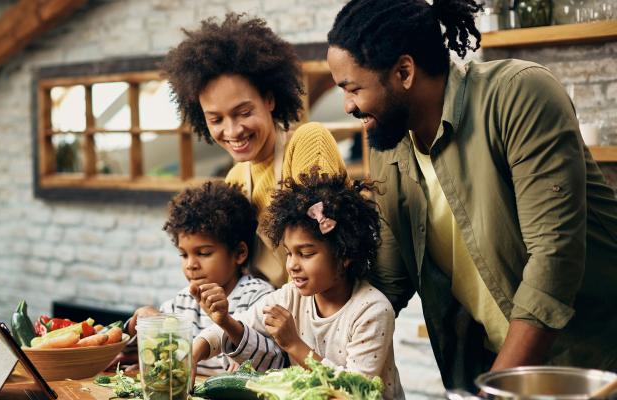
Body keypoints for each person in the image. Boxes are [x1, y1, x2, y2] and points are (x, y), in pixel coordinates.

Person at [326, 0, 617, 391]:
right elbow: (388, 283)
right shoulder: (390, 145)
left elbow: (554, 259)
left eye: (353, 88)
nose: (347, 106)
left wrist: (493, 391)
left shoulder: (518, 94)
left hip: (593, 363)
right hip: (499, 368)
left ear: (404, 72)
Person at [162, 13, 346, 287]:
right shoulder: (236, 178)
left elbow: (322, 246)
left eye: (244, 112)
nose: (233, 130)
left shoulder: (308, 141)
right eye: (216, 119)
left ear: (269, 99)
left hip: (325, 317)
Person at [192, 169, 404, 399]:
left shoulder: (371, 310)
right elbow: (238, 324)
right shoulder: (291, 296)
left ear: (344, 254)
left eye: (306, 253)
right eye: (288, 253)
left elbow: (355, 392)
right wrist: (193, 355)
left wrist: (294, 344)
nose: (292, 265)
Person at [123, 181, 275, 375]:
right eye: (184, 255)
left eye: (203, 253)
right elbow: (130, 353)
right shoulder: (183, 301)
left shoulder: (258, 297)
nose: (191, 265)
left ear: (239, 253)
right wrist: (136, 324)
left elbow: (272, 358)